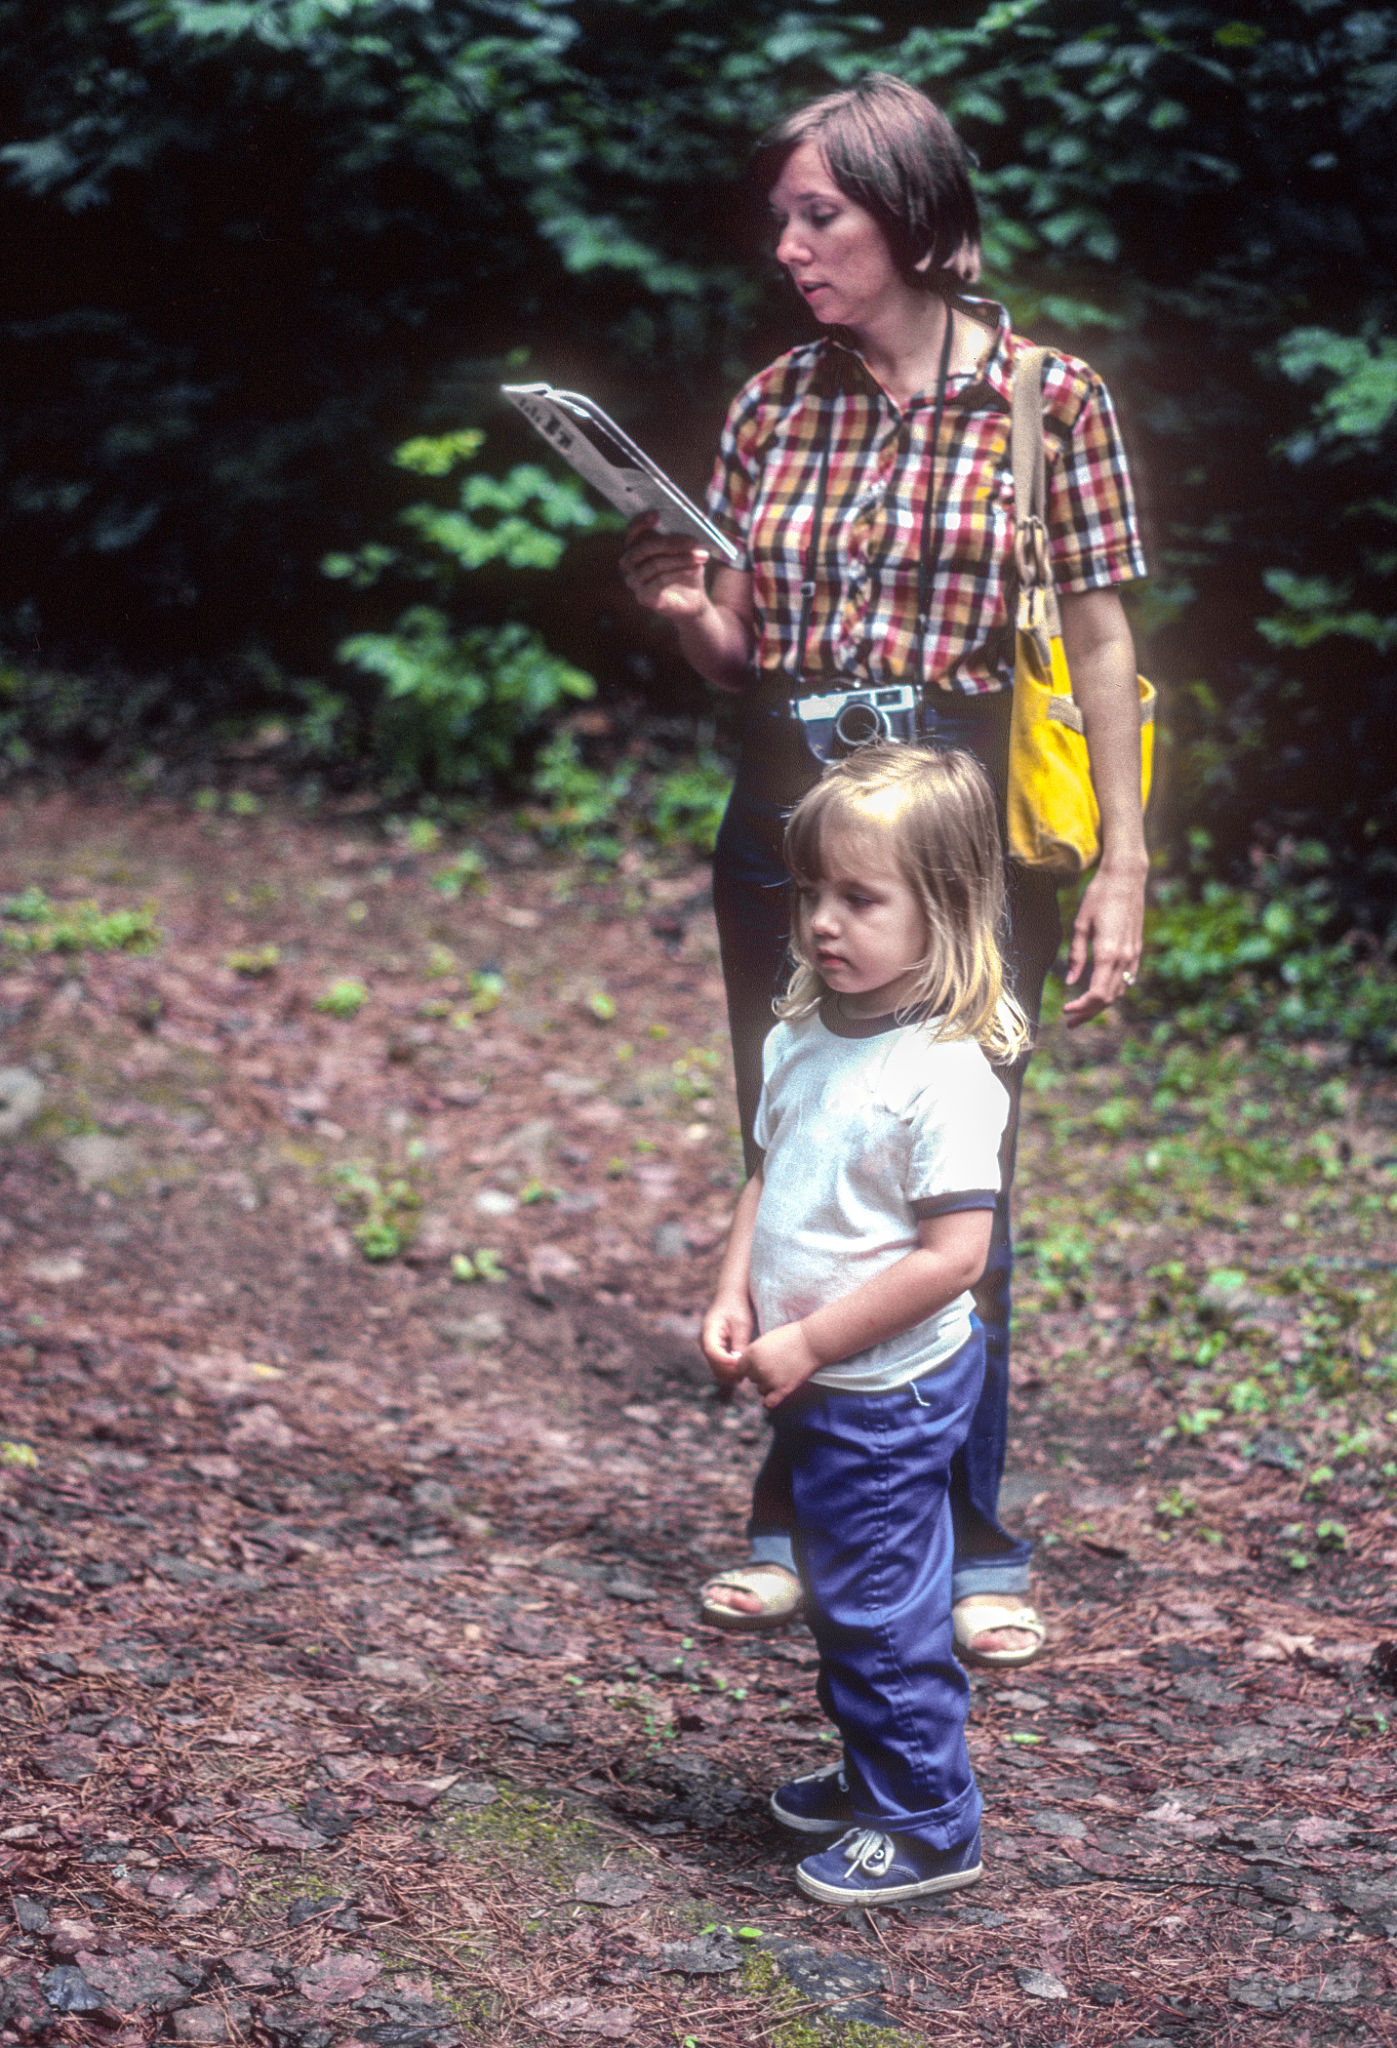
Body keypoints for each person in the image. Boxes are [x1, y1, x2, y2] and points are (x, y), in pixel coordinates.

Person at [620, 73, 1147, 1667]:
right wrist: (683, 607)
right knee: (794, 1151)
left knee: (953, 1179)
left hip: (962, 856)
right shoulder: (776, 402)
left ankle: (970, 1539)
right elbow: (742, 654)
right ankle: (798, 1521)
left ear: (911, 215)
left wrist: (1123, 857)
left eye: (819, 214)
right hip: (789, 834)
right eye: (783, 216)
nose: (788, 245)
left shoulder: (1054, 401)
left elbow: (1110, 644)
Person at [699, 743, 1027, 1902]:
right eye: (809, 893)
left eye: (859, 897)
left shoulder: (942, 1075)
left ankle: (930, 1819)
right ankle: (874, 1774)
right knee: (849, 1588)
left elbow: (956, 1256)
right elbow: (766, 1174)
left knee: (877, 1601)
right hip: (823, 1378)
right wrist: (736, 1289)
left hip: (885, 1383)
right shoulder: (799, 1034)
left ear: (941, 910)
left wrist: (812, 1341)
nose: (822, 922)